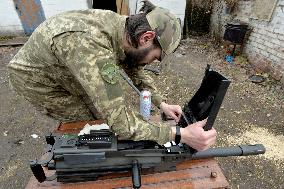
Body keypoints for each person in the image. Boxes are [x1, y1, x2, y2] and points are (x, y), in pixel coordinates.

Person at [8, 1, 216, 151]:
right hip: (38, 79)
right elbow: (120, 122)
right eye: (156, 57)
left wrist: (161, 103)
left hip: (65, 60)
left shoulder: (123, 31)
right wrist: (180, 134)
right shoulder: (93, 47)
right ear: (146, 37)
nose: (152, 63)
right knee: (90, 125)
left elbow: (134, 65)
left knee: (101, 117)